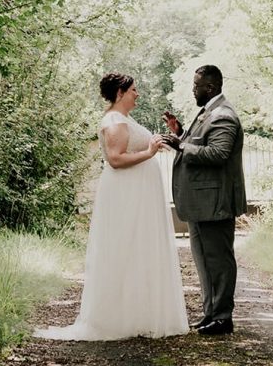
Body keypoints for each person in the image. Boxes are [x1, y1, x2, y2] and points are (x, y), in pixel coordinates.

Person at [36, 72, 189, 341]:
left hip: (138, 193)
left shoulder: (124, 119)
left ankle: (140, 312)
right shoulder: (114, 121)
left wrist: (161, 141)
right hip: (127, 194)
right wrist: (150, 152)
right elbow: (116, 160)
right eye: (133, 90)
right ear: (120, 93)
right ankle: (120, 317)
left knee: (138, 249)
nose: (137, 94)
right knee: (125, 248)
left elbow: (132, 149)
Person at [163, 64, 246, 336]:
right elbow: (200, 141)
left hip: (215, 203)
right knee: (205, 263)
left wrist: (180, 146)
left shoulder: (223, 115)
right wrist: (180, 132)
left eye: (196, 86)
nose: (193, 90)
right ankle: (211, 314)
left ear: (209, 88)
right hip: (202, 204)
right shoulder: (209, 112)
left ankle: (223, 318)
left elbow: (218, 153)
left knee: (218, 262)